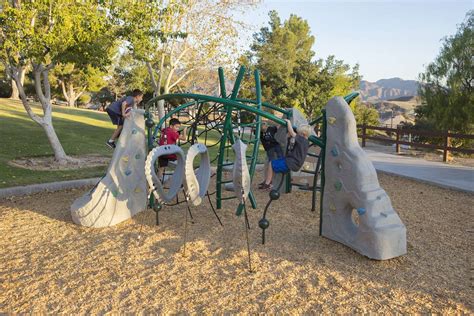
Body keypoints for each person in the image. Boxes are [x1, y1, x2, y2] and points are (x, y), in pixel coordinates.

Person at [261, 119, 311, 189]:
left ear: (303, 134)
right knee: (277, 162)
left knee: (271, 164)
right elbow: (291, 145)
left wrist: (288, 122)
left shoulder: (302, 140)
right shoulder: (305, 142)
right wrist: (288, 137)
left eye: (299, 133)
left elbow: (292, 132)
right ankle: (269, 182)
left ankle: (267, 184)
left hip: (291, 162)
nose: (297, 134)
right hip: (292, 162)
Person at [258, 121, 283, 190]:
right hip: (269, 148)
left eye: (264, 126)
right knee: (270, 162)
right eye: (261, 126)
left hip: (275, 145)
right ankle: (268, 181)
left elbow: (278, 127)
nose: (263, 127)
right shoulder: (259, 132)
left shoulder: (271, 129)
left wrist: (283, 122)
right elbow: (254, 129)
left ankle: (270, 181)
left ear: (266, 126)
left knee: (280, 158)